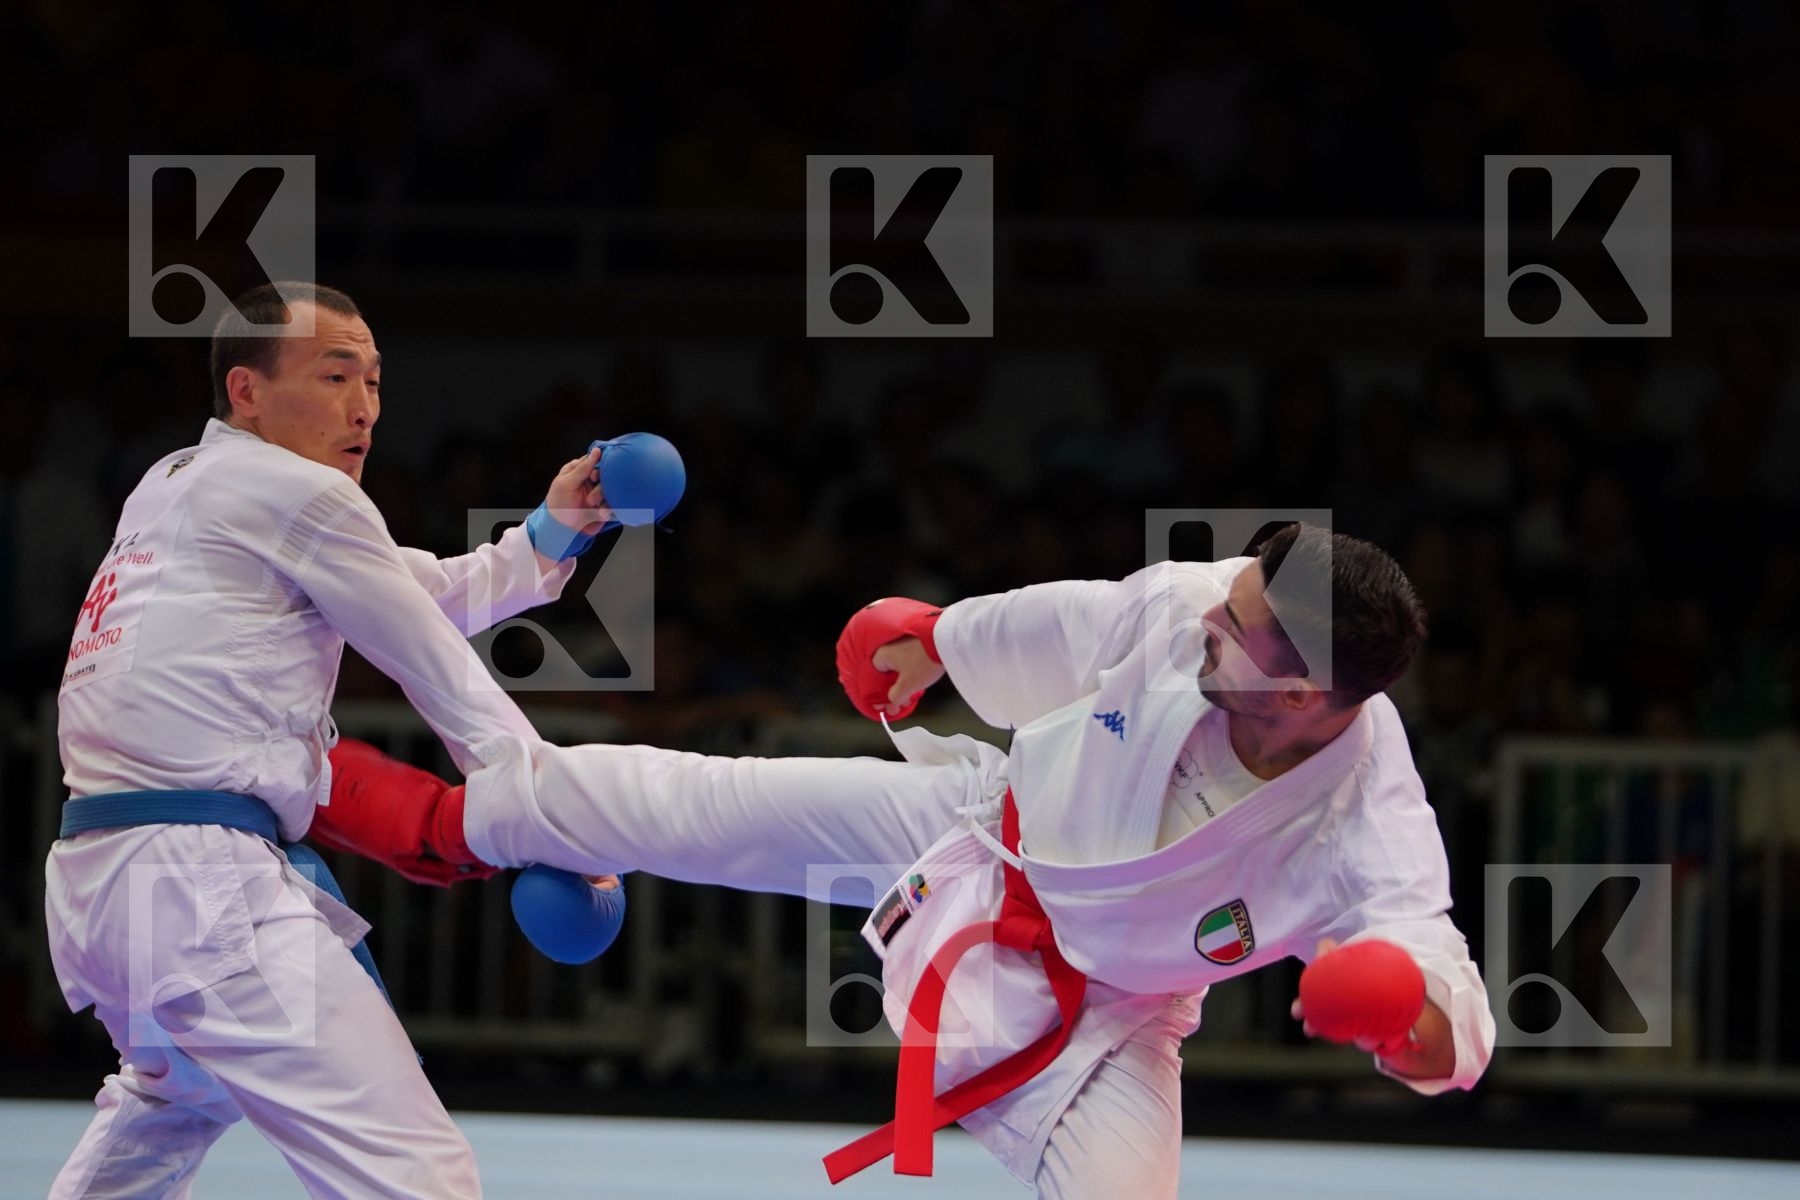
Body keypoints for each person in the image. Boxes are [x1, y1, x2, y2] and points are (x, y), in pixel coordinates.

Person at [328, 523, 1496, 1198]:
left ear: (1301, 693)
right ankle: (428, 817)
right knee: (710, 802)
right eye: (1228, 592)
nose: (1205, 618)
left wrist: (1407, 1024)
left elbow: (1439, 972)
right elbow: (1078, 622)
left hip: (1116, 1021)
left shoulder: (1364, 818)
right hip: (984, 831)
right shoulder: (1195, 606)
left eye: (1233, 626)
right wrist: (941, 637)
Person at [45, 281, 610, 1199]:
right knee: (412, 1172)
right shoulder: (299, 492)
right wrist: (553, 817)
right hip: (198, 886)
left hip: (103, 884)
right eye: (336, 374)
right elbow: (438, 671)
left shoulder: (174, 482)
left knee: (170, 1108)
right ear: (247, 391)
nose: (364, 409)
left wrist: (547, 537)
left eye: (376, 382)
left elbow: (388, 589)